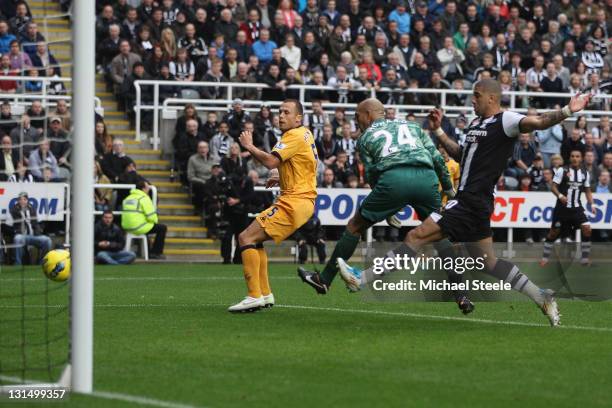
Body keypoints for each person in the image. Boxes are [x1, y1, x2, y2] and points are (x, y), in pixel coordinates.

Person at [337, 79, 592, 327]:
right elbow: (462, 155)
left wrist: (569, 110)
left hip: (470, 201)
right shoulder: (476, 124)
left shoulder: (507, 120)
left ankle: (362, 279)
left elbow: (539, 121)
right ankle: (541, 296)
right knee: (489, 262)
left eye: (477, 95)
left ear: (492, 98)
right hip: (474, 203)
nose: (472, 99)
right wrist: (438, 131)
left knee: (416, 236)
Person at [298, 98, 472, 313]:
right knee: (440, 236)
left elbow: (372, 173)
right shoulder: (412, 126)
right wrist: (448, 189)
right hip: (427, 180)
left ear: (369, 114)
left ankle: (324, 279)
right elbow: (437, 159)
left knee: (354, 226)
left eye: (358, 115)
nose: (356, 120)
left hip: (393, 180)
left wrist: (388, 206)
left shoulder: (365, 138)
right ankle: (461, 295)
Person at [227, 100, 317, 313]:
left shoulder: (293, 136)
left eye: (286, 112)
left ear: (298, 118)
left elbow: (269, 161)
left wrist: (248, 146)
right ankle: (265, 294)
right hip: (301, 200)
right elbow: (304, 164)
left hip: (294, 202)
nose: (281, 116)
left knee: (245, 238)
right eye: (279, 112)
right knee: (255, 240)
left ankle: (253, 296)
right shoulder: (305, 133)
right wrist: (282, 176)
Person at [540, 149, 594, 267]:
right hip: (562, 208)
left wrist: (592, 204)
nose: (575, 158)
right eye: (573, 156)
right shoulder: (562, 170)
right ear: (570, 158)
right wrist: (560, 196)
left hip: (576, 208)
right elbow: (553, 187)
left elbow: (588, 190)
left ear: (581, 158)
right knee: (553, 233)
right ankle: (544, 258)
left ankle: (584, 259)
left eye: (577, 156)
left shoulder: (585, 173)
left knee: (587, 229)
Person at [121, 180, 167, 259]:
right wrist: (154, 222)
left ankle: (145, 251)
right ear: (143, 189)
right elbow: (151, 216)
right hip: (138, 227)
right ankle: (156, 253)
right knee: (162, 228)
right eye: (147, 187)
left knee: (147, 228)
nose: (149, 189)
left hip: (127, 227)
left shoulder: (128, 198)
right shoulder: (144, 198)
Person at [8, 192, 53, 265]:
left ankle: (41, 263)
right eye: (20, 199)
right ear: (18, 201)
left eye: (24, 199)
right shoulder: (13, 210)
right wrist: (16, 231)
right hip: (22, 235)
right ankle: (17, 264)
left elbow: (39, 223)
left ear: (27, 200)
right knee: (17, 238)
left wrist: (39, 230)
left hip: (34, 235)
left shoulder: (32, 209)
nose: (22, 201)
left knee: (47, 240)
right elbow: (7, 226)